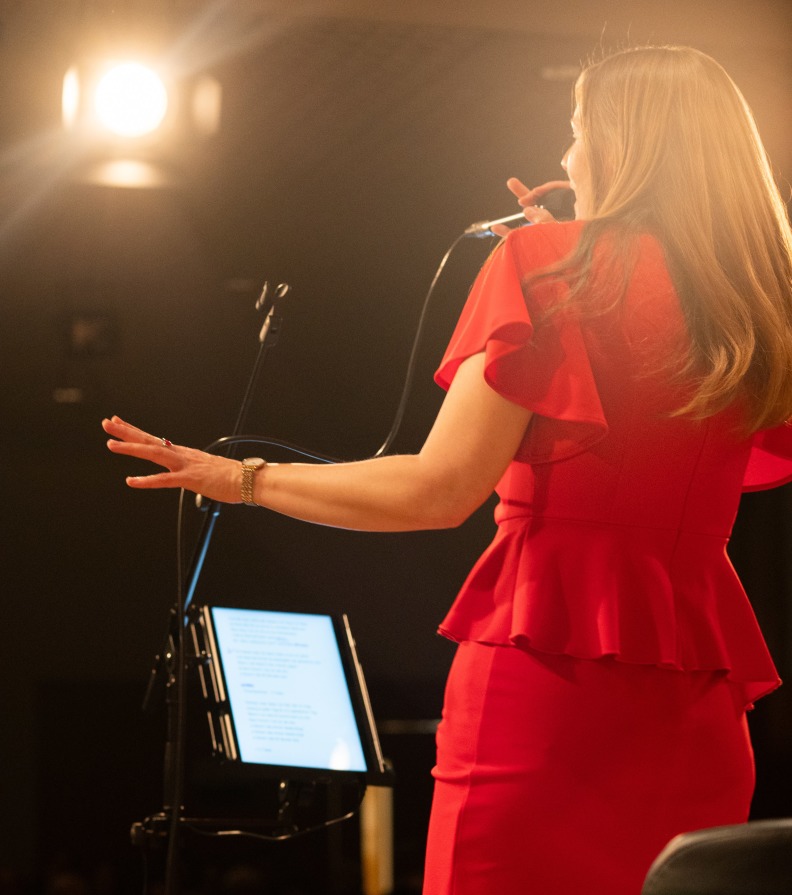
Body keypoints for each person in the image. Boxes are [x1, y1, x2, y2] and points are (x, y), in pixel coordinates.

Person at [103, 45, 792, 895]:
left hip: (544, 697)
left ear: (623, 146)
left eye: (578, 131)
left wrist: (240, 477)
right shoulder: (757, 305)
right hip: (695, 708)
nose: (567, 156)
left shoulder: (538, 267)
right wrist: (583, 246)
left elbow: (438, 489)